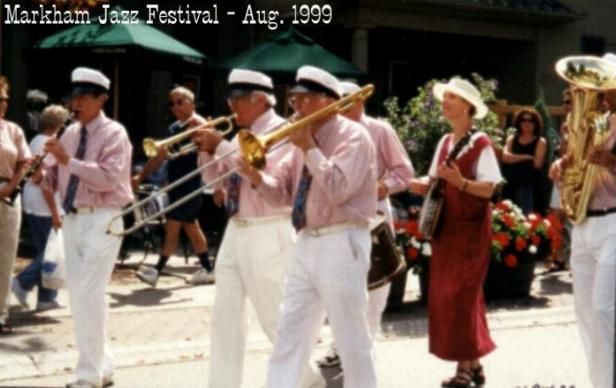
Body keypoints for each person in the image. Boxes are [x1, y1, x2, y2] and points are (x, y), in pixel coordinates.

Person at [235, 65, 377, 388]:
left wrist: (309, 149)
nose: (296, 108)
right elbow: (283, 194)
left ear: (329, 101)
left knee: (351, 339)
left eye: (305, 100)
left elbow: (339, 189)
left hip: (343, 241)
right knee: (290, 334)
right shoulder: (301, 139)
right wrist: (256, 176)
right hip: (306, 241)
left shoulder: (354, 136)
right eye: (294, 99)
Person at [193, 68, 325, 388]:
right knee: (225, 317)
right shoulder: (241, 134)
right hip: (236, 229)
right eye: (231, 98)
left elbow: (274, 185)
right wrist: (205, 149)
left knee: (273, 316)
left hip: (268, 228)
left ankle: (307, 381)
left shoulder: (283, 131)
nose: (232, 106)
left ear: (261, 100)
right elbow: (213, 183)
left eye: (238, 99)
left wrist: (221, 146)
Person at [34, 66, 133, 388]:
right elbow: (59, 177)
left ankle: (88, 375)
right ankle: (103, 365)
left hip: (104, 217)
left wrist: (66, 161)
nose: (76, 104)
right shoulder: (69, 132)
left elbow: (107, 179)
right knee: (80, 297)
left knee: (89, 293)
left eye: (84, 98)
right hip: (74, 217)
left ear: (102, 99)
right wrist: (42, 177)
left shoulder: (115, 133)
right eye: (73, 97)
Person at [409, 77, 501, 388]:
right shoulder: (445, 142)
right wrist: (417, 182)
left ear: (468, 106)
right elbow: (435, 178)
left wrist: (461, 183)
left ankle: (464, 368)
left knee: (462, 296)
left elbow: (489, 189)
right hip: (447, 229)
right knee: (454, 297)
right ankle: (473, 364)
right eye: (445, 97)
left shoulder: (482, 143)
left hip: (471, 231)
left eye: (452, 98)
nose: (445, 102)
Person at [317, 81, 414, 369]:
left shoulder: (380, 130)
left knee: (374, 286)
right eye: (339, 101)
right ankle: (340, 345)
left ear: (361, 102)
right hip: (338, 216)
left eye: (350, 100)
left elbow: (404, 171)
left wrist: (384, 187)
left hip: (374, 215)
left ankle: (365, 348)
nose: (344, 106)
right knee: (337, 286)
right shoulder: (329, 133)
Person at [549, 52, 616, 388]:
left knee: (604, 310)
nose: (603, 91)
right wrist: (562, 167)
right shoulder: (596, 121)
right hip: (584, 223)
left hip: (613, 224)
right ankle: (600, 380)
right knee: (586, 312)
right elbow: (575, 162)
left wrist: (613, 162)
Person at [133, 86, 214, 287]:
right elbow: (159, 157)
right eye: (172, 103)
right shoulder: (174, 128)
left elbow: (210, 153)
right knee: (191, 227)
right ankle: (208, 269)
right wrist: (140, 175)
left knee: (172, 227)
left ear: (191, 103)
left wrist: (201, 134)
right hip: (177, 185)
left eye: (180, 102)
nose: (175, 107)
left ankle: (157, 271)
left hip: (191, 183)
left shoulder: (200, 124)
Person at [11, 104, 68, 311]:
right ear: (59, 125)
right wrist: (55, 212)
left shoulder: (36, 140)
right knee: (51, 252)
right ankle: (22, 282)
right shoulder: (49, 144)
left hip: (34, 202)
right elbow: (45, 182)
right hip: (45, 205)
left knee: (49, 249)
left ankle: (47, 297)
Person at [0, 75, 31, 335]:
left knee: (6, 257)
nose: (3, 103)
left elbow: (25, 161)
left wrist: (11, 186)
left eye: (6, 99)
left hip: (8, 194)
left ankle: (0, 313)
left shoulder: (13, 130)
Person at [501, 107, 547, 214]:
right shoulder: (512, 139)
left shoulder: (541, 141)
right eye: (524, 120)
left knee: (529, 218)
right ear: (519, 122)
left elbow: (537, 163)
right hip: (511, 185)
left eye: (531, 121)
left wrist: (514, 158)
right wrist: (526, 157)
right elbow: (505, 156)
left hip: (530, 186)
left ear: (535, 124)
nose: (527, 123)